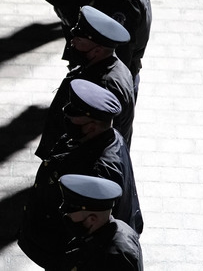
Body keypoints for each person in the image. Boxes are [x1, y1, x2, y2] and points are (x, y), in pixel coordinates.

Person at [19, 80, 142, 269]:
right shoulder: (102, 136)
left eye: (75, 117)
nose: (68, 118)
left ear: (92, 126)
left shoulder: (99, 171)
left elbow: (94, 216)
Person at [37, 5, 135, 155]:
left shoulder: (105, 85)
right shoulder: (99, 66)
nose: (72, 42)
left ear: (97, 50)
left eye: (79, 39)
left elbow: (101, 136)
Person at [58, 174, 143, 270]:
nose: (67, 217)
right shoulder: (108, 230)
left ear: (92, 219)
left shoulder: (115, 259)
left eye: (70, 214)